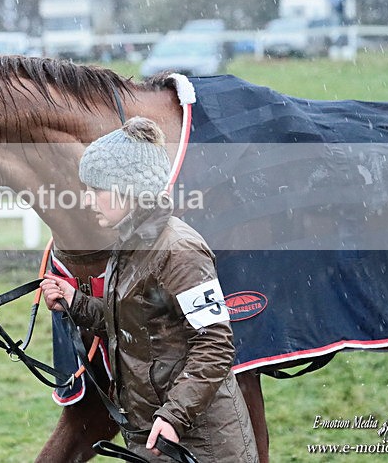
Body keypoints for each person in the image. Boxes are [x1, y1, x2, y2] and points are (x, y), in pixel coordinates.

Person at [40, 117, 258, 463]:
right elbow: (135, 323)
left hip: (200, 444)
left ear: (129, 191)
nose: (89, 199)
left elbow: (215, 345)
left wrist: (174, 416)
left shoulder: (179, 251)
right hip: (155, 437)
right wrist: (75, 302)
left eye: (97, 189)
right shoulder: (128, 245)